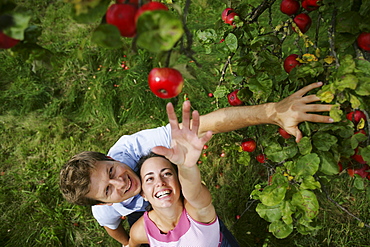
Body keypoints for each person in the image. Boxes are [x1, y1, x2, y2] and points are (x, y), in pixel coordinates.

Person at [59, 82, 333, 246]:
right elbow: (114, 230)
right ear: (104, 203)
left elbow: (205, 125)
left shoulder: (137, 147)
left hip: (190, 201)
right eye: (108, 190)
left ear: (111, 158)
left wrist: (273, 112)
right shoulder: (109, 213)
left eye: (111, 171)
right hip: (147, 222)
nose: (121, 182)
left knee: (205, 226)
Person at [128, 101, 220, 246]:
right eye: (149, 179)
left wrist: (187, 166)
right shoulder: (140, 231)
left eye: (167, 173)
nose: (160, 182)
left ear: (179, 181)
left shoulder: (197, 211)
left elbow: (194, 192)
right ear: (143, 194)